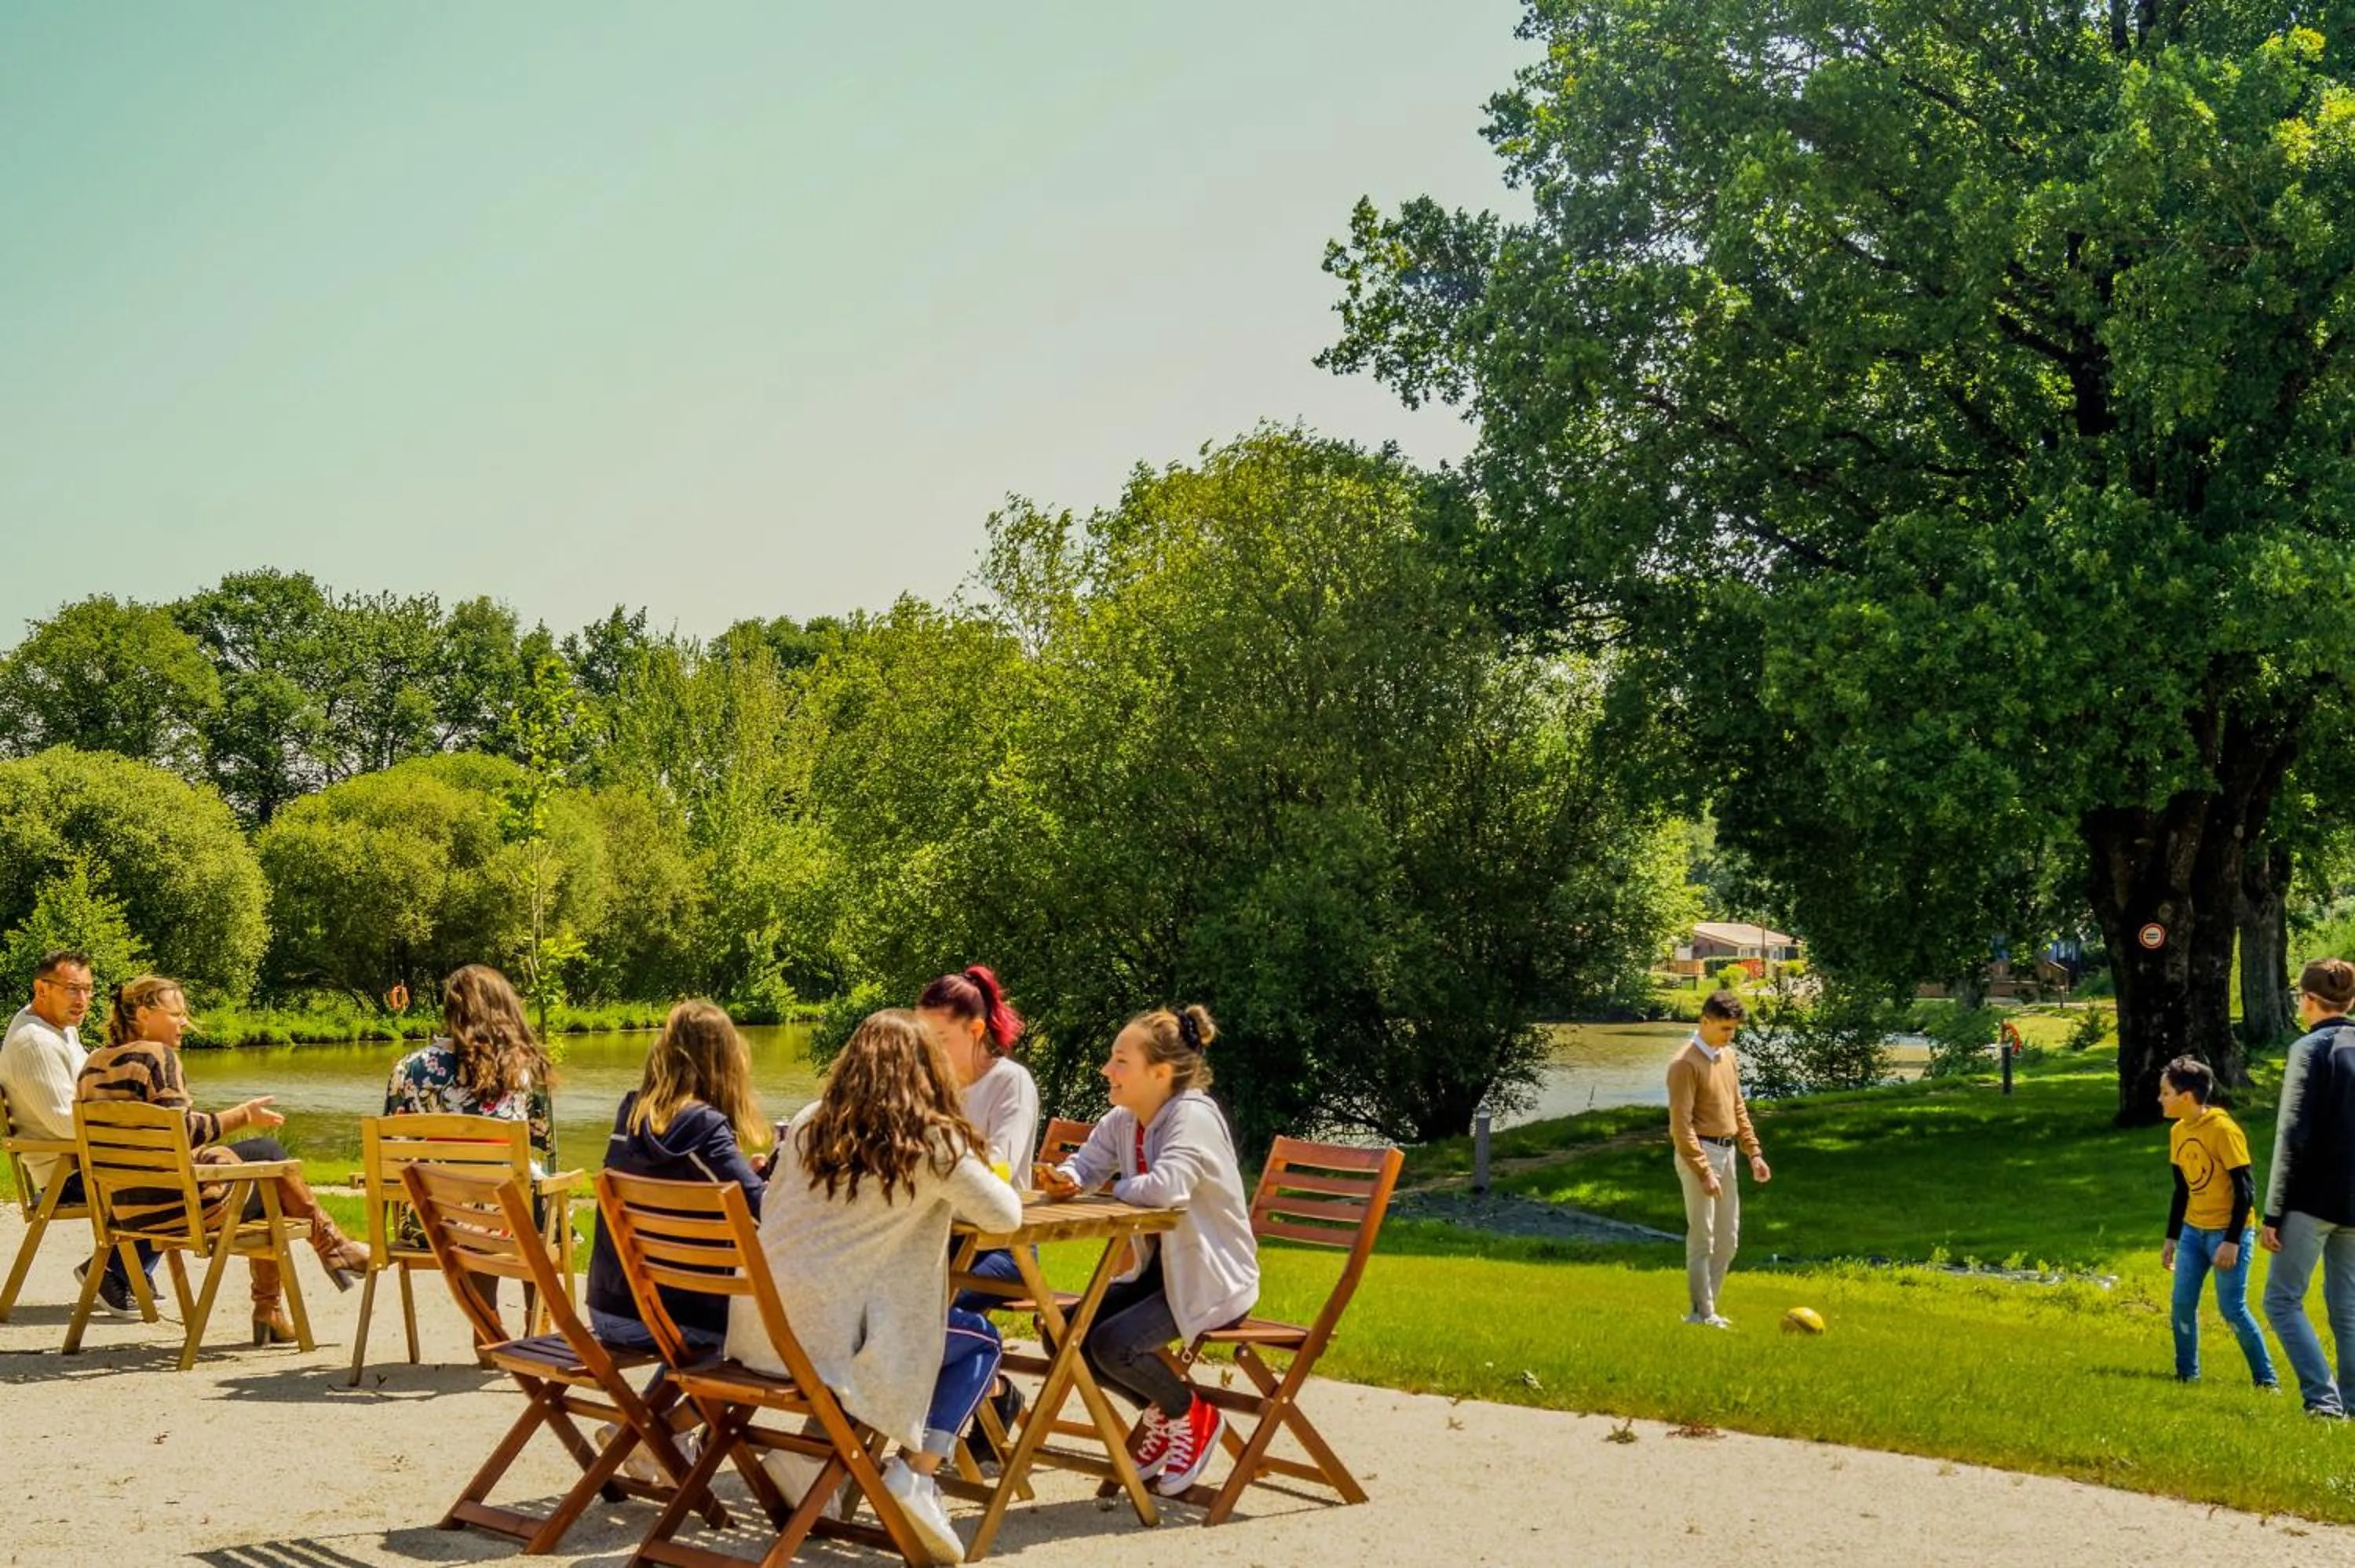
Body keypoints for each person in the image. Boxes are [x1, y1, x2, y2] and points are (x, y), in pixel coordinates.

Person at [729, 1009, 1019, 1566]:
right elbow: (1004, 1216)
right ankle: (916, 1472)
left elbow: (771, 1205)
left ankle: (814, 1460)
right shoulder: (929, 1139)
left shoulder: (813, 1122)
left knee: (876, 1326)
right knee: (977, 1342)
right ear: (927, 1072)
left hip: (759, 1330)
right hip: (830, 1345)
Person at [1039, 1003, 1258, 1501]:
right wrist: (1069, 1181)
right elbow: (1088, 1163)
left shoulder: (1192, 1116)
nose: (1106, 1069)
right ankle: (1164, 1412)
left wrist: (1110, 1189)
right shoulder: (1124, 1119)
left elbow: (1168, 1189)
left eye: (1120, 1061)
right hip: (1155, 1276)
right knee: (1065, 1335)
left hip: (1210, 1277)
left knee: (1114, 1344)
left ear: (1159, 1073)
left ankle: (1190, 1414)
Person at [78, 975, 371, 1344]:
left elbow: (154, 1141)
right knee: (268, 1156)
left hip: (125, 1211)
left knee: (267, 1177)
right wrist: (242, 1116)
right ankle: (328, 1248)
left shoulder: (93, 1065)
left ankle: (276, 1308)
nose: (185, 1022)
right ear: (143, 1014)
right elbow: (180, 1133)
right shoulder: (158, 1057)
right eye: (177, 1013)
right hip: (180, 1209)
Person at [586, 999, 768, 1356]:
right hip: (686, 1320)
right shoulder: (705, 1127)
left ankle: (656, 1414)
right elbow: (765, 1212)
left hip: (609, 1308)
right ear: (724, 1062)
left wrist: (745, 1174)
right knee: (792, 1326)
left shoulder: (631, 1115)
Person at [916, 965, 1038, 1450]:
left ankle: (988, 1395)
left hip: (1004, 1246)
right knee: (886, 1305)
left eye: (939, 1037)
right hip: (939, 1238)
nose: (928, 1050)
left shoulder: (1011, 1083)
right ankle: (990, 1394)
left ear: (976, 1030)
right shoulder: (927, 1083)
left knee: (926, 1318)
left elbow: (1000, 1168)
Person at [1, 950, 156, 1316]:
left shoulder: (61, 1031)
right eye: (73, 989)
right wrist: (134, 1131)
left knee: (172, 1162)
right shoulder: (34, 1042)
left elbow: (91, 1093)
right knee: (169, 1174)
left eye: (88, 989)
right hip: (65, 1172)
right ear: (42, 989)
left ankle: (124, 1270)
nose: (83, 999)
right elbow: (64, 1122)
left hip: (85, 1160)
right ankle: (113, 1271)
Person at [2260, 957, 2355, 1417]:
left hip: (2311, 1199)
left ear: (2307, 1000)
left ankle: (2323, 1400)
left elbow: (2290, 1134)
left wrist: (2273, 1213)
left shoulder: (2309, 1049)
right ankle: (2353, 1404)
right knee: (2348, 1308)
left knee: (2280, 1300)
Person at [2158, 1055, 2275, 1388]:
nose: (2160, 1098)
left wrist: (2232, 1241)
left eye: (2165, 1093)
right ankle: (2186, 1376)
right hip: (2194, 1232)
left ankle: (2266, 1381)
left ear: (2186, 1096)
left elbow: (2246, 1191)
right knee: (2181, 1305)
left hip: (2228, 1233)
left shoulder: (2224, 1130)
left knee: (2232, 1309)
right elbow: (2182, 1190)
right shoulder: (2179, 1131)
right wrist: (2172, 1237)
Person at [383, 964, 557, 1171]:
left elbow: (391, 1150)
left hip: (431, 1199)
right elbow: (541, 1141)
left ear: (450, 1012)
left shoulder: (409, 1069)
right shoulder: (522, 1070)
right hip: (505, 1199)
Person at [1666, 990, 1771, 1329]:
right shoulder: (1685, 1064)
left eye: (1734, 1030)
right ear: (1705, 1021)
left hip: (1727, 1152)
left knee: (1728, 1240)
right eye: (1724, 1029)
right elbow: (1680, 1127)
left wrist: (1753, 1152)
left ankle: (1706, 1311)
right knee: (1704, 1237)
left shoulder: (1728, 1057)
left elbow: (1737, 1107)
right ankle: (1701, 1313)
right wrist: (1703, 1170)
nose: (1730, 1036)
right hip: (1700, 1153)